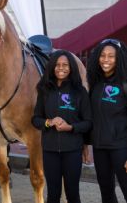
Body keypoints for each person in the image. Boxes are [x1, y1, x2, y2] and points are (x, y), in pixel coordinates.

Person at [32, 49, 92, 203]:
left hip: (72, 150)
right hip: (50, 151)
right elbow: (35, 119)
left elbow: (88, 123)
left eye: (65, 65)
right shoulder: (44, 91)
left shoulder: (80, 92)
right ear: (52, 67)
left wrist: (70, 127)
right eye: (57, 65)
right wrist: (49, 122)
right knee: (53, 194)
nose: (61, 68)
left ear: (71, 67)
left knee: (73, 194)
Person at [87, 38, 127, 203]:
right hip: (100, 148)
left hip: (121, 148)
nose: (106, 60)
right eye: (103, 55)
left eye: (111, 56)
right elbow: (91, 116)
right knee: (106, 193)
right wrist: (85, 144)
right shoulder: (95, 84)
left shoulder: (125, 84)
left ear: (118, 59)